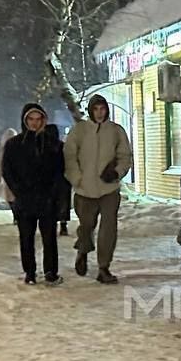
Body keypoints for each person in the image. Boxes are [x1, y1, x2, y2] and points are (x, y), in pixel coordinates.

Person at [65, 95, 133, 284]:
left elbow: (125, 156)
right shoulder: (79, 131)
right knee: (86, 226)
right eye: (96, 109)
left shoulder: (116, 131)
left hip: (109, 189)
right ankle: (83, 251)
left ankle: (104, 267)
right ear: (90, 110)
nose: (100, 113)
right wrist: (77, 179)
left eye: (102, 109)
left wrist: (117, 172)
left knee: (108, 229)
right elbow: (70, 157)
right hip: (85, 190)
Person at [1, 104, 65, 286]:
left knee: (49, 238)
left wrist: (54, 193)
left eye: (38, 119)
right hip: (25, 199)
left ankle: (51, 271)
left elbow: (60, 171)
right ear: (24, 120)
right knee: (26, 237)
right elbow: (8, 170)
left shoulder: (53, 145)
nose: (35, 123)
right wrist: (19, 191)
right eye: (31, 119)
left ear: (44, 120)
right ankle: (30, 272)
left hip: (47, 199)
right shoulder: (14, 145)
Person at [45, 124, 73, 236]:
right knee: (63, 202)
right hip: (63, 179)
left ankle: (52, 225)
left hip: (49, 180)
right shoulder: (63, 146)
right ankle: (63, 225)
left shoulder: (44, 147)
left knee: (51, 203)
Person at [0, 127, 19, 225]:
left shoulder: (2, 150)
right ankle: (16, 216)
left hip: (9, 176)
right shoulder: (4, 150)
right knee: (13, 197)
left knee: (12, 198)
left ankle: (16, 216)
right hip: (14, 176)